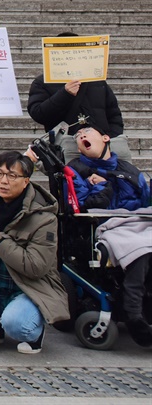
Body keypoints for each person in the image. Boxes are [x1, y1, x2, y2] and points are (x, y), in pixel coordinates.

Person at [68, 123, 152, 346]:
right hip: (105, 226)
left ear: (105, 138)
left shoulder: (131, 171)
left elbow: (145, 201)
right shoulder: (76, 170)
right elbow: (84, 207)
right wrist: (103, 187)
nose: (81, 135)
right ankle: (134, 314)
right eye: (77, 136)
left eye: (87, 132)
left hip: (139, 221)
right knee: (141, 249)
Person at [0, 151, 69, 354]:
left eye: (12, 176)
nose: (3, 181)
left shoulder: (43, 217)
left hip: (28, 288)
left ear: (26, 181)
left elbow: (35, 267)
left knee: (17, 324)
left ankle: (34, 333)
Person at [26, 36, 131, 161]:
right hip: (66, 147)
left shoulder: (96, 79)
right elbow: (38, 113)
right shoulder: (42, 82)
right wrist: (64, 94)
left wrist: (108, 138)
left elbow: (114, 114)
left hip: (102, 147)